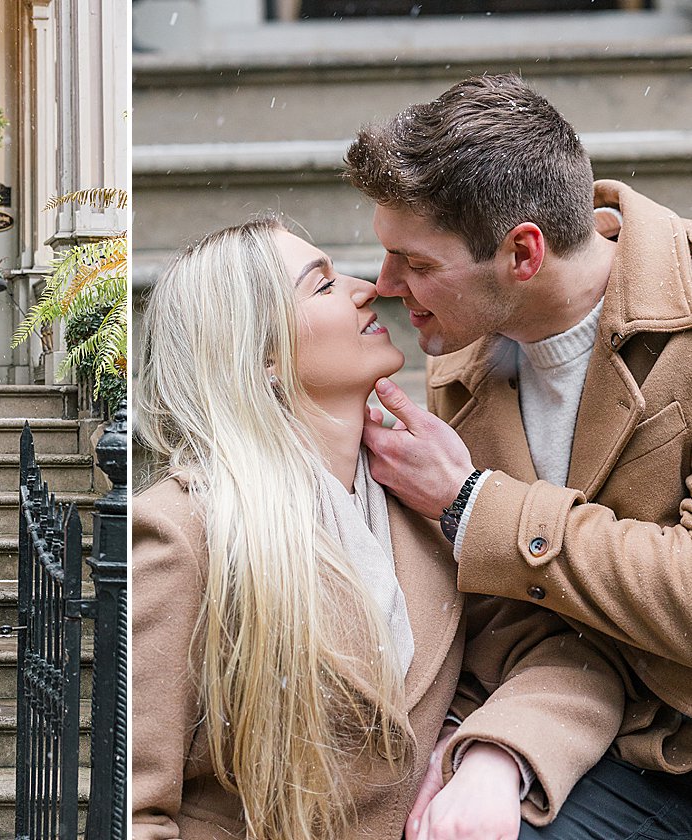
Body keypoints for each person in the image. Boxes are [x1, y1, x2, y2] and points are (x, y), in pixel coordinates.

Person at [133, 218, 625, 840]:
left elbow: (565, 657)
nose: (367, 288)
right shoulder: (184, 531)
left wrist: (494, 758)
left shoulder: (425, 499)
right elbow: (138, 809)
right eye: (323, 286)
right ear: (264, 358)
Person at [346, 72, 692, 836]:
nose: (388, 287)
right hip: (576, 732)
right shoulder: (459, 358)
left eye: (418, 263)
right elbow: (500, 617)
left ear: (523, 253)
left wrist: (474, 507)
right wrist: (489, 750)